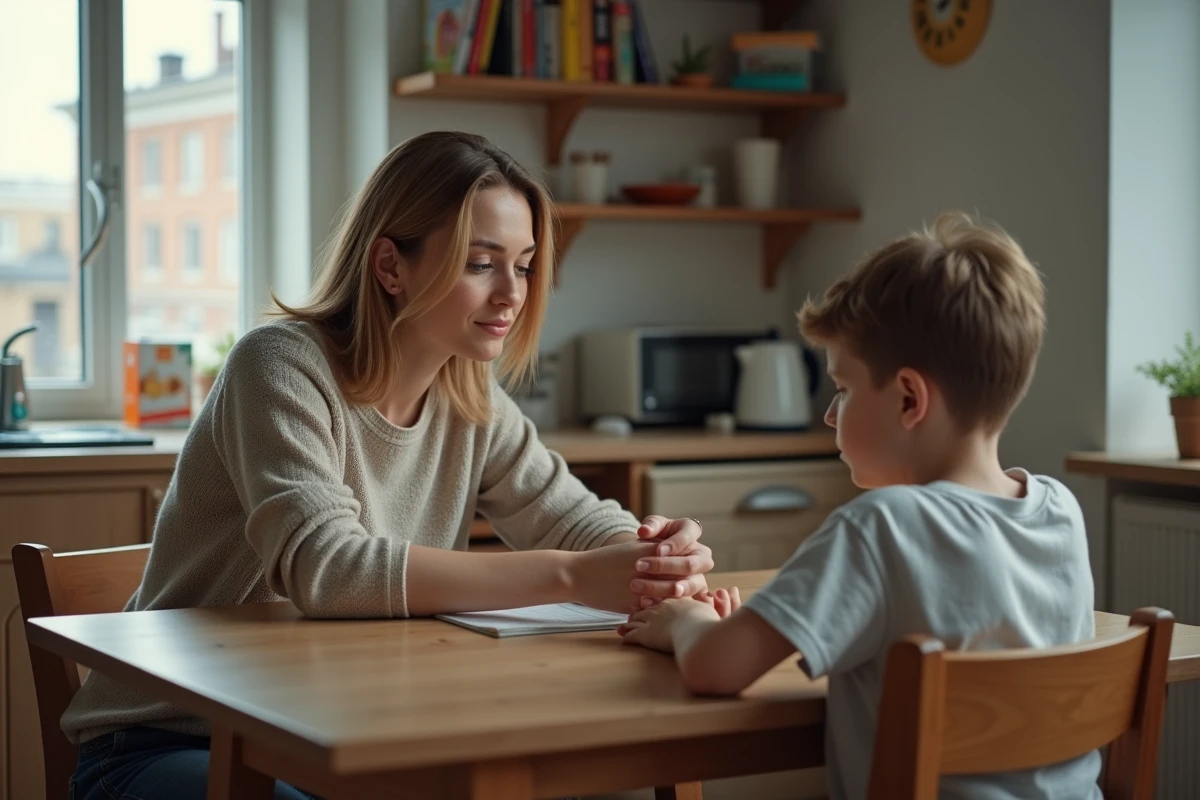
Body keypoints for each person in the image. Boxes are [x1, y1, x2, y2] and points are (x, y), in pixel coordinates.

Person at [64, 131, 713, 800]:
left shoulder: (470, 397)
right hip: (169, 740)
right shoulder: (278, 366)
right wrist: (574, 575)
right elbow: (328, 569)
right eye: (480, 263)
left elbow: (571, 516)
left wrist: (656, 561)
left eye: (522, 266)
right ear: (389, 266)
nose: (511, 294)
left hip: (333, 737)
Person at [618, 212, 1102, 800]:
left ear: (909, 399)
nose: (829, 415)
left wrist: (684, 621)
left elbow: (714, 668)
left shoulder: (881, 526)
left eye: (843, 389)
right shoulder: (1060, 510)